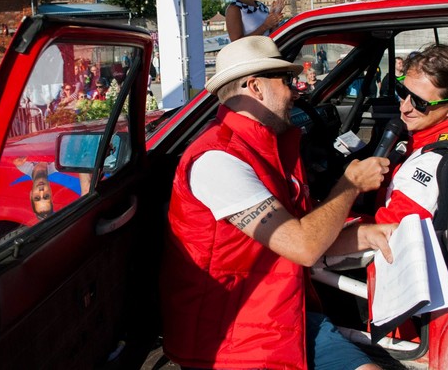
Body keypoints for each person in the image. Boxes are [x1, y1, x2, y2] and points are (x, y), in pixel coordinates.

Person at [161, 36, 395, 369]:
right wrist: (350, 184)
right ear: (255, 87)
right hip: (234, 338)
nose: (295, 91)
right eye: (285, 81)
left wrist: (367, 235)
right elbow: (303, 246)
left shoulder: (271, 147)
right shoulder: (218, 159)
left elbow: (305, 231)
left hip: (287, 314)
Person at [375, 44, 448, 224]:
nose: (404, 107)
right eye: (403, 92)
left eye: (419, 102)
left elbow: (390, 231)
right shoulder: (423, 135)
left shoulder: (432, 159)